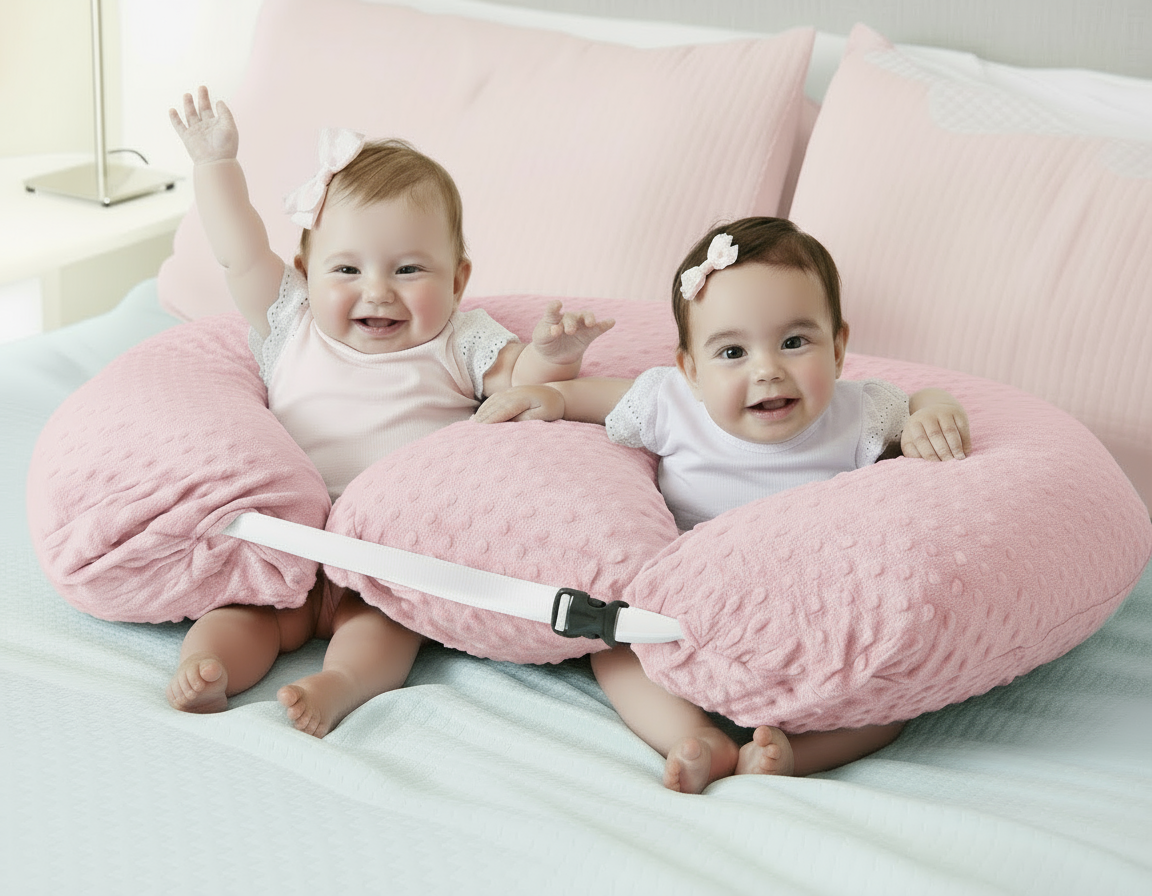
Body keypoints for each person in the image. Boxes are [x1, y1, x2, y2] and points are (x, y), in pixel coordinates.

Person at [166, 86, 614, 737]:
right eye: (346, 268)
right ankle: (208, 668)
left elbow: (524, 388)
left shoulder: (463, 339)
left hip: (390, 555)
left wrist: (554, 354)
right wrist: (215, 165)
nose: (378, 290)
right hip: (289, 542)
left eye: (409, 269)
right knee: (239, 612)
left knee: (388, 630)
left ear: (458, 282)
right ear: (306, 273)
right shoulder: (292, 323)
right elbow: (238, 250)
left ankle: (338, 685)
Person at [474, 216, 971, 793]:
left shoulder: (860, 415)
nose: (767, 369)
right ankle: (695, 737)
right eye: (732, 351)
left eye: (794, 342)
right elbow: (586, 397)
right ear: (690, 370)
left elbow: (920, 402)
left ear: (838, 348)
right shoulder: (672, 404)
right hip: (686, 614)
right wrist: (545, 395)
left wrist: (936, 410)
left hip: (808, 612)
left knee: (891, 696)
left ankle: (795, 752)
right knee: (613, 647)